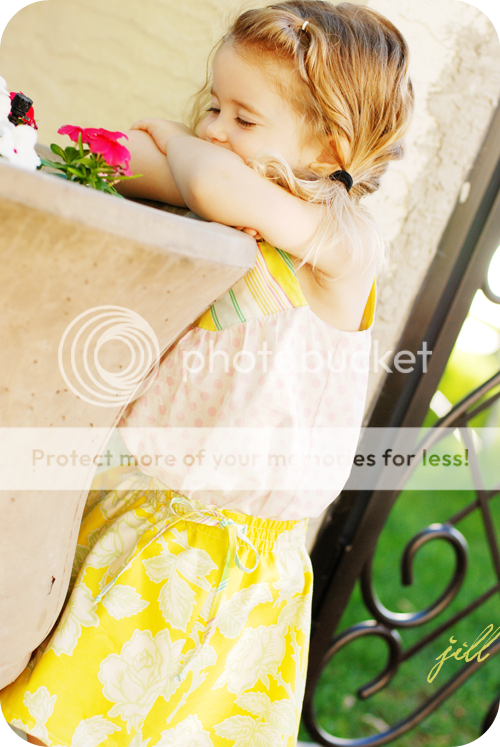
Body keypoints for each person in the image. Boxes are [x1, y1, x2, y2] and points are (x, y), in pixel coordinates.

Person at [0, 2, 414, 745]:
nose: (216, 129)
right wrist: (173, 152)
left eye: (244, 118)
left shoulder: (341, 245)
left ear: (332, 146)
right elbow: (127, 159)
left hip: (221, 555)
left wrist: (185, 147)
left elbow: (213, 184)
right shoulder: (235, 205)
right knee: (64, 706)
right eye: (213, 106)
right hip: (136, 505)